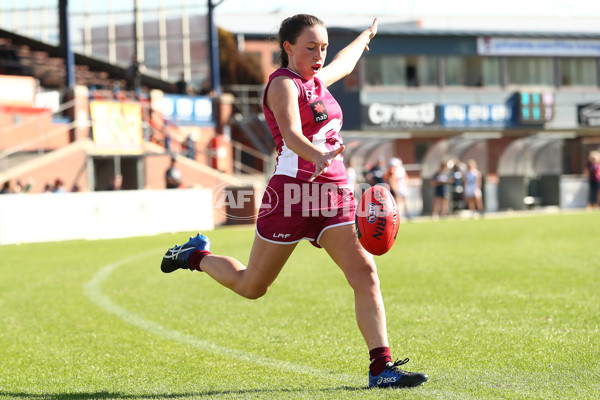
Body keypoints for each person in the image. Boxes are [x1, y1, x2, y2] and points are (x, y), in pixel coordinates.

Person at [160, 14, 428, 389]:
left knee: (365, 274)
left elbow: (345, 63)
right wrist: (316, 155)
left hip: (333, 195)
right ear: (287, 48)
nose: (319, 55)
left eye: (323, 48)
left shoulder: (318, 79)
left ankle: (380, 368)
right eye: (310, 48)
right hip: (292, 196)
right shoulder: (283, 85)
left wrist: (366, 35)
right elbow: (292, 134)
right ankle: (195, 256)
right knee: (252, 286)